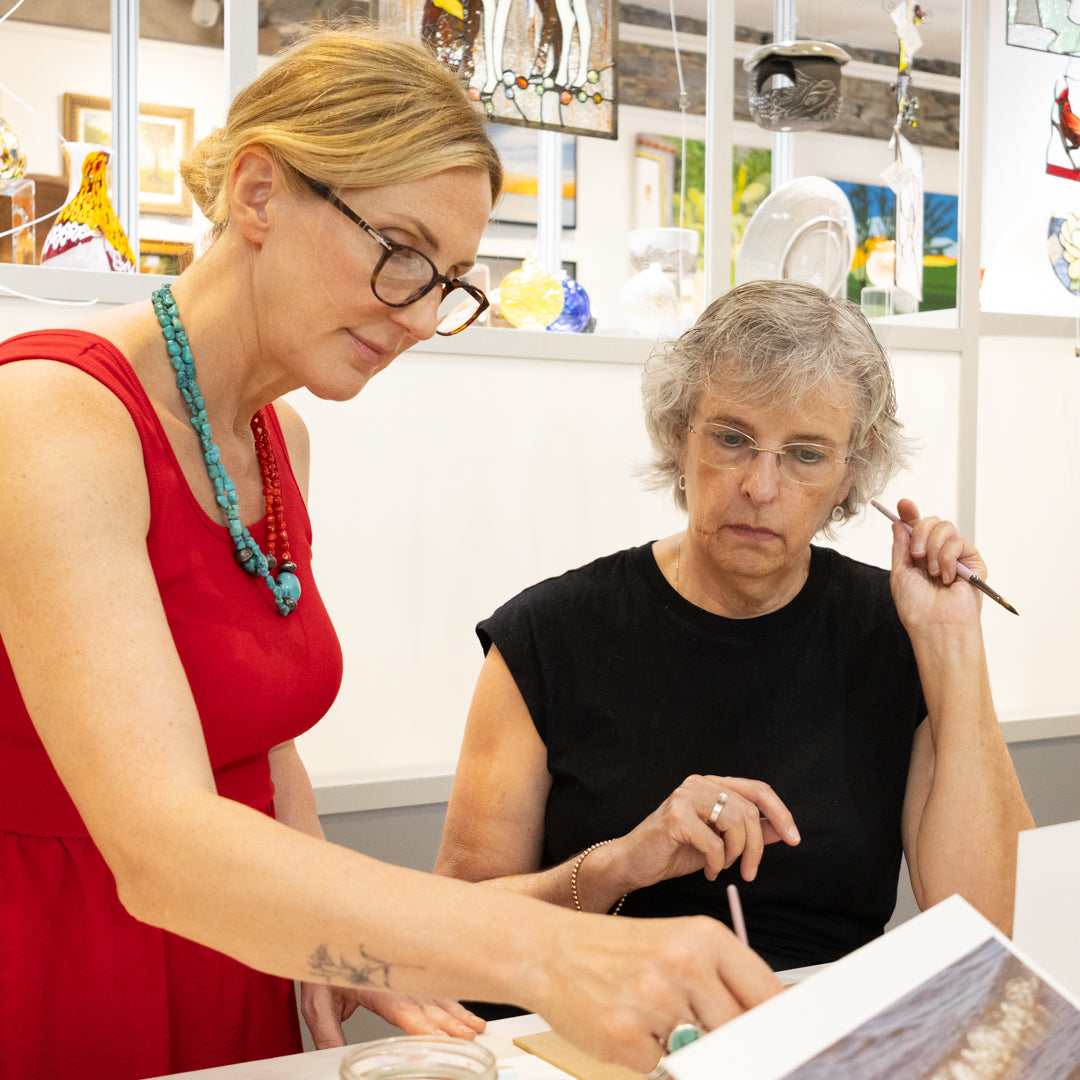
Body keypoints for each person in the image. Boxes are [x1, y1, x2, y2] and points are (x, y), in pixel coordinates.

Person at [0, 29, 783, 1080]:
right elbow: (159, 843)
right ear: (260, 192)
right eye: (402, 251)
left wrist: (347, 942)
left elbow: (263, 743)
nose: (421, 314)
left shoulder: (281, 444)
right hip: (67, 965)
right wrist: (553, 952)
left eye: (452, 281)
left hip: (241, 950)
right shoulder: (52, 419)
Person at [435, 280, 1034, 1003]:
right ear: (679, 432)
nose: (760, 485)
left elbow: (992, 922)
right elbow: (452, 934)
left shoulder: (897, 634)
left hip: (821, 1036)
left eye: (806, 455)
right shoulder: (547, 638)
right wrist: (619, 865)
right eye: (732, 438)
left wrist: (952, 648)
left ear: (853, 475)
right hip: (598, 1031)